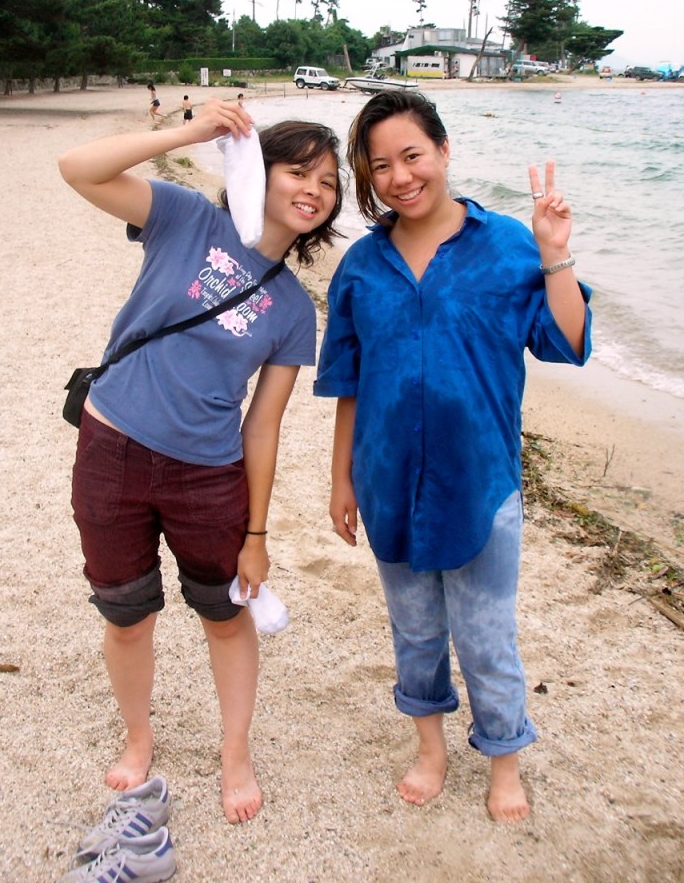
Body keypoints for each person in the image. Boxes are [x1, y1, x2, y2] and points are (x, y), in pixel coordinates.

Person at [58, 98, 343, 825]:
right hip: (113, 446)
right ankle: (139, 735)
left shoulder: (290, 311)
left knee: (225, 614)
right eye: (297, 170)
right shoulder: (189, 219)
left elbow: (263, 430)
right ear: (259, 169)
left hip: (207, 475)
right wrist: (193, 133)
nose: (313, 188)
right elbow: (77, 168)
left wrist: (257, 536)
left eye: (328, 182)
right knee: (125, 614)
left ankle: (236, 750)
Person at [314, 90, 591, 823]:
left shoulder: (505, 246)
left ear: (442, 151)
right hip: (385, 481)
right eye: (382, 166)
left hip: (480, 481)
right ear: (367, 178)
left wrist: (555, 253)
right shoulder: (362, 267)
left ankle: (504, 758)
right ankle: (430, 750)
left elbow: (565, 339)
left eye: (413, 156)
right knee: (413, 630)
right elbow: (348, 380)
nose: (401, 177)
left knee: (486, 635)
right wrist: (340, 476)